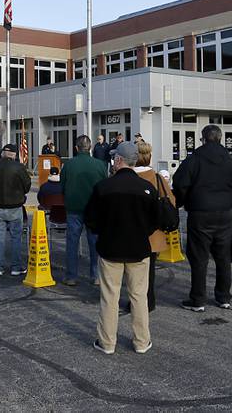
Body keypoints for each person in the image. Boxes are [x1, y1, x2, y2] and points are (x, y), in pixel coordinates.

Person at [85, 141, 159, 355]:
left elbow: (91, 220)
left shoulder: (103, 187)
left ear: (118, 161)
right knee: (138, 296)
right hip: (139, 250)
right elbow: (155, 221)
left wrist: (104, 231)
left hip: (110, 249)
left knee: (110, 296)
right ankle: (142, 341)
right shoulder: (147, 188)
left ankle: (107, 343)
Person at [172, 124, 232, 312]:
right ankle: (223, 296)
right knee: (223, 257)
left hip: (200, 212)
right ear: (220, 138)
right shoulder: (230, 161)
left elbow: (180, 184)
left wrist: (183, 201)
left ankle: (198, 299)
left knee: (199, 257)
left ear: (202, 138)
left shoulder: (193, 160)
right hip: (225, 213)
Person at [132, 141, 176, 312]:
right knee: (148, 271)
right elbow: (171, 201)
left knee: (130, 272)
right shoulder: (157, 178)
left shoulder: (125, 177)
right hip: (153, 234)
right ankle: (148, 301)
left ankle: (135, 301)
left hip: (130, 232)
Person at [60, 135, 107, 286]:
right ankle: (96, 275)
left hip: (74, 208)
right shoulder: (100, 165)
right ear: (91, 147)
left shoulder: (68, 165)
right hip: (95, 210)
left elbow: (62, 187)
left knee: (72, 243)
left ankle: (71, 276)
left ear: (76, 148)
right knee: (95, 243)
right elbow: (104, 187)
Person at [0, 143, 31, 276]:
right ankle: (15, 267)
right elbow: (27, 186)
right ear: (14, 155)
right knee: (16, 238)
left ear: (3, 154)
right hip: (15, 207)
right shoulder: (19, 168)